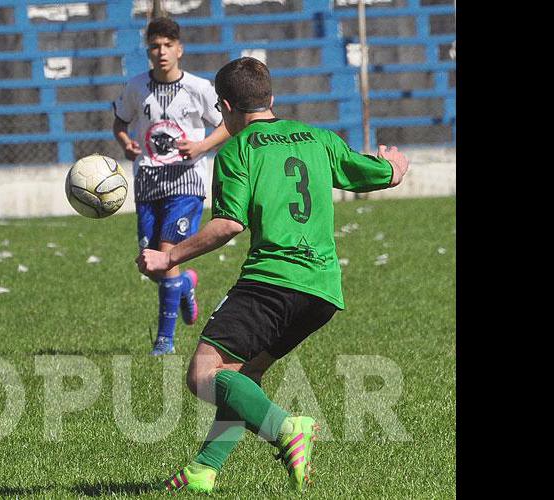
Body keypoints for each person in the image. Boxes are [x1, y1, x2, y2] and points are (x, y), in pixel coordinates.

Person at [136, 57, 410, 493]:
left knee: (203, 374)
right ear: (272, 99)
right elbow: (378, 175)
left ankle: (286, 427)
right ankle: (205, 469)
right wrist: (394, 167)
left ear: (224, 107)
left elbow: (228, 225)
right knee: (241, 379)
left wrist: (169, 259)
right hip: (322, 293)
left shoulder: (238, 151)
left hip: (271, 282)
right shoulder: (321, 139)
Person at [112, 16, 231, 356]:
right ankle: (184, 286)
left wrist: (202, 146)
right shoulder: (136, 87)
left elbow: (226, 125)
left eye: (167, 46)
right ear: (148, 51)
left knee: (166, 254)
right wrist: (125, 143)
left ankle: (165, 340)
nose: (161, 52)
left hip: (186, 181)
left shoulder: (199, 88)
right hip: (148, 181)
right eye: (154, 47)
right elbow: (120, 121)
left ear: (179, 49)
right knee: (150, 263)